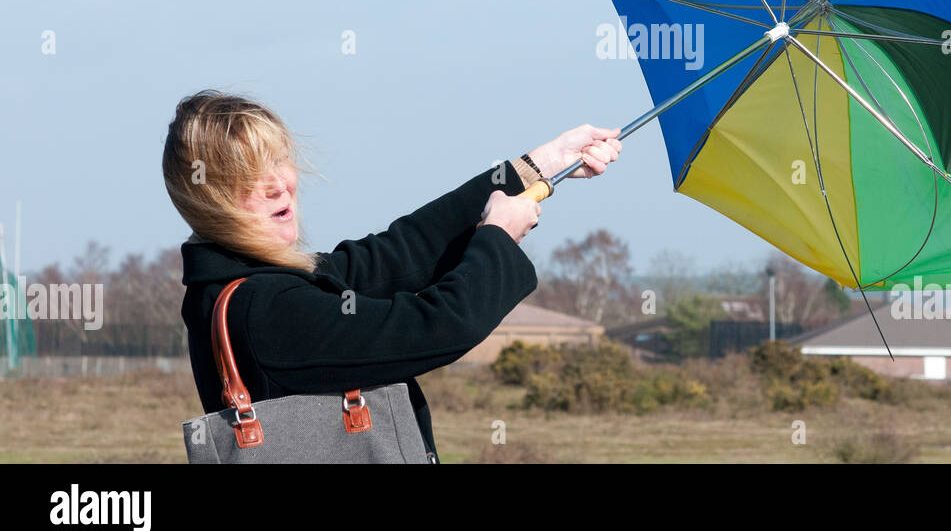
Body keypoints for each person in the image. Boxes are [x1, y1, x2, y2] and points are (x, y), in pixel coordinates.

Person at [164, 89, 620, 462]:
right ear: (208, 200)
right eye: (247, 177)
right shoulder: (264, 308)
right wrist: (497, 237)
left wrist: (542, 163)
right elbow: (437, 325)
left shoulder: (258, 283)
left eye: (279, 160)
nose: (279, 184)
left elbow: (400, 253)